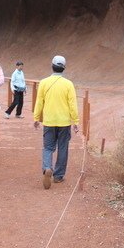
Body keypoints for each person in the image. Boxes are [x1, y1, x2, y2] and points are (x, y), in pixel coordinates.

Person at [33, 55, 79, 189]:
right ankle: (58, 176)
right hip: (64, 122)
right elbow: (72, 104)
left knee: (48, 147)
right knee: (63, 147)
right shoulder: (68, 84)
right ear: (64, 68)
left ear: (52, 66)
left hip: (49, 121)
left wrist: (36, 118)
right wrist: (75, 120)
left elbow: (39, 102)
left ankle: (47, 167)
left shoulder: (44, 82)